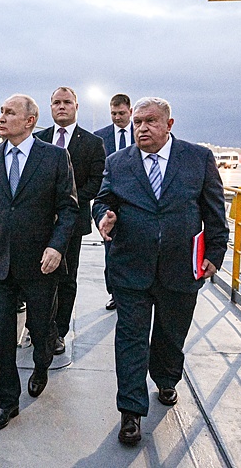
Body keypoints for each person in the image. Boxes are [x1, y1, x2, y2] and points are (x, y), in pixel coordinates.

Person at [92, 97, 228, 445]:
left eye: (150, 121)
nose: (142, 128)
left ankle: (166, 378)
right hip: (130, 266)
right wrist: (104, 216)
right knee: (131, 339)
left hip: (181, 267)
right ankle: (131, 411)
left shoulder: (197, 159)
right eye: (138, 122)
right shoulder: (118, 162)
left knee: (170, 333)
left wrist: (215, 253)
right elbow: (104, 200)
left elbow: (213, 210)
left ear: (169, 124)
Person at [0, 94, 78, 431]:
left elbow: (69, 209)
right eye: (1, 111)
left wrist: (57, 247)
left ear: (30, 121)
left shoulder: (54, 157)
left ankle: (41, 366)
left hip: (41, 263)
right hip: (0, 261)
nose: (2, 117)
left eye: (10, 113)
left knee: (41, 330)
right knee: (1, 334)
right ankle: (7, 401)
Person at [35, 86, 105, 355]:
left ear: (76, 106)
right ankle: (38, 326)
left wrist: (68, 202)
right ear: (50, 107)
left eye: (66, 102)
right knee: (37, 276)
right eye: (56, 102)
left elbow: (96, 182)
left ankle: (58, 332)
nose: (61, 106)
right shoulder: (38, 139)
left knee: (66, 279)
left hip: (72, 223)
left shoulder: (92, 143)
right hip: (39, 222)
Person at [93, 93, 134, 311]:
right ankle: (114, 294)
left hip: (136, 202)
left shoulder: (142, 133)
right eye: (113, 114)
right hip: (109, 201)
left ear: (130, 111)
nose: (117, 117)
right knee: (110, 251)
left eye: (121, 113)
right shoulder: (100, 138)